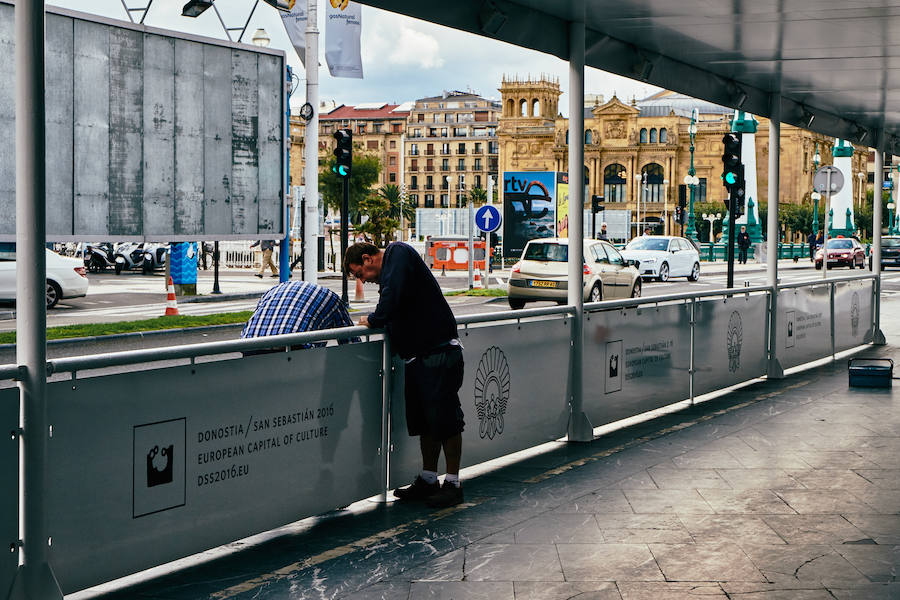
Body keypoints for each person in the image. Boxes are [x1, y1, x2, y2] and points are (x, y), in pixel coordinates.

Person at [345, 241, 465, 508]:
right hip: (419, 356)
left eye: (359, 273)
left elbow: (392, 299)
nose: (362, 280)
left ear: (367, 259)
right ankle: (429, 478)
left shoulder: (398, 252)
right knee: (425, 421)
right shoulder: (394, 268)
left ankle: (454, 483)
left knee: (446, 419)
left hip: (438, 353)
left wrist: (373, 320)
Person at [241, 281, 357, 354]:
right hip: (292, 345)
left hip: (250, 342)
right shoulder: (333, 300)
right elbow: (351, 343)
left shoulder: (274, 290)